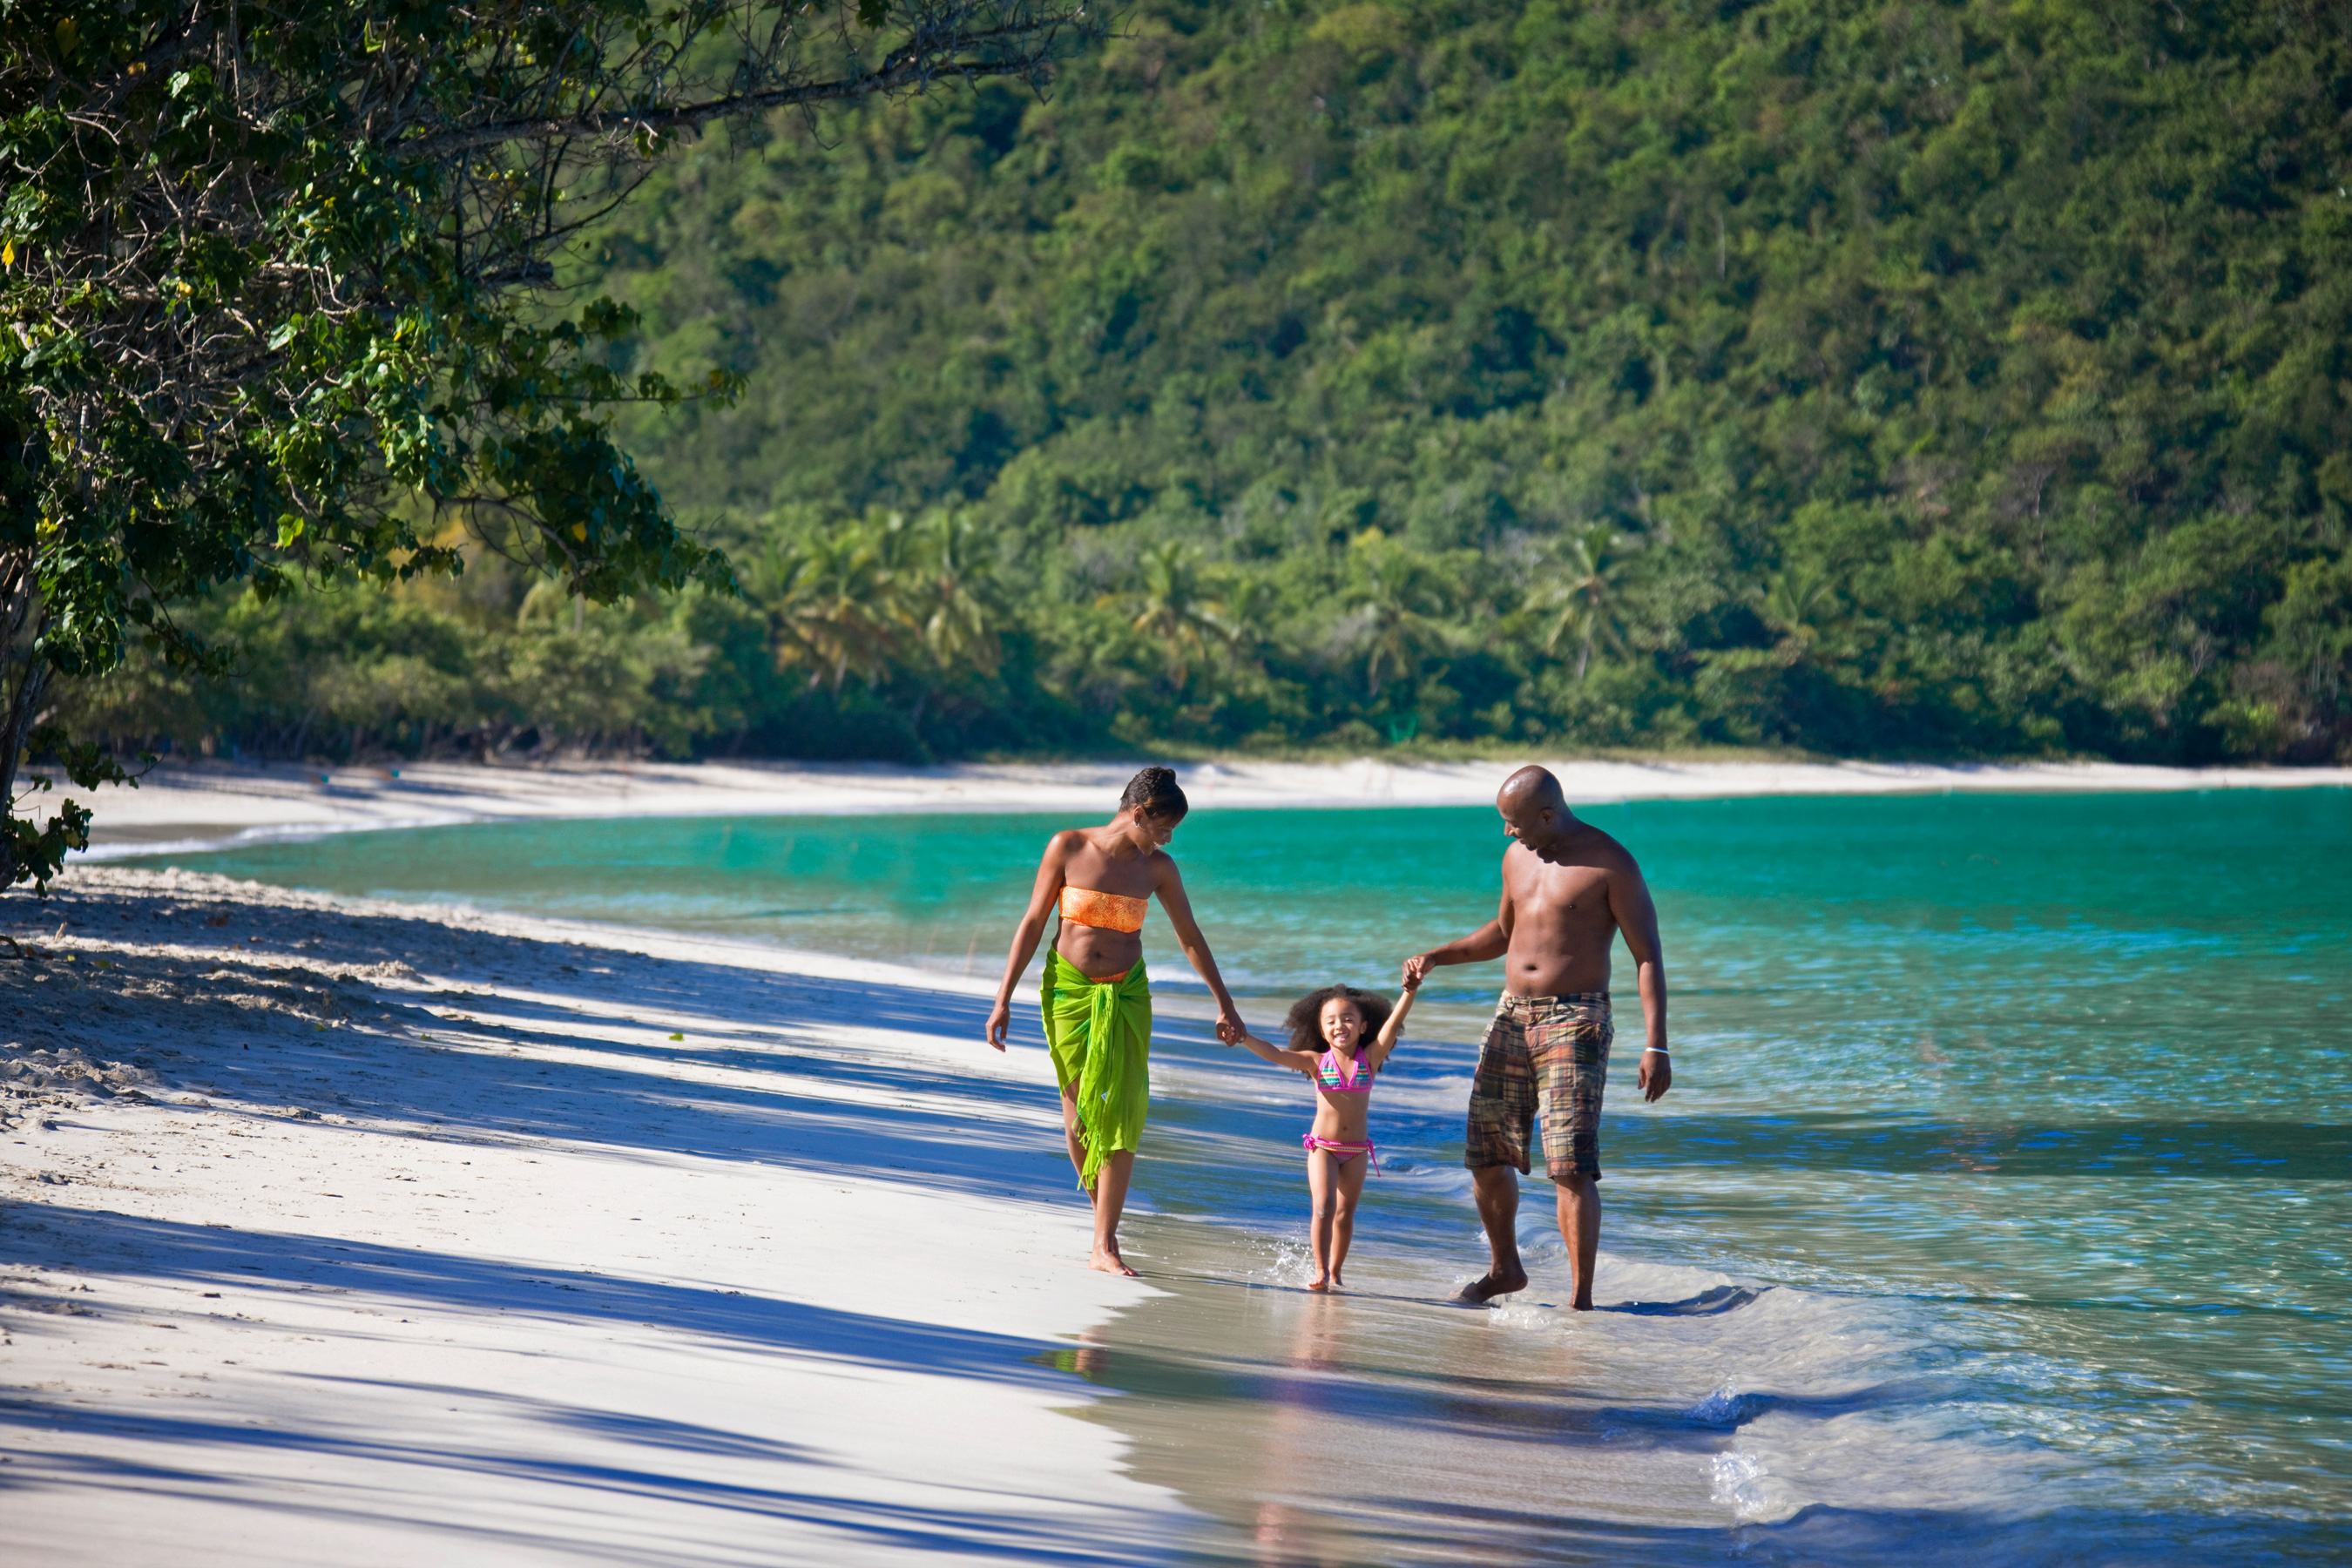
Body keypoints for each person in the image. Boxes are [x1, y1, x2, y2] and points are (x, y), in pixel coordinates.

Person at [1402, 765, 1671, 1310]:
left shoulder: (1610, 862)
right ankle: (1505, 1270)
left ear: (1547, 815)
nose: (1508, 832)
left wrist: (1656, 1044)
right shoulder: (1516, 858)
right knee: (1485, 1153)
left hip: (1577, 1019)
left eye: (1515, 823)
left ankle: (1580, 1300)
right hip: (1510, 1016)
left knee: (1570, 1163)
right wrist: (1437, 956)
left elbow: (1647, 956)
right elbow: (1502, 934)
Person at [985, 766, 1247, 1276]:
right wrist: (1003, 998)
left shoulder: (1159, 870)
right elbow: (1035, 922)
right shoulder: (1068, 847)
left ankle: (1105, 1243)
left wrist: (1226, 1003)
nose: (1169, 838)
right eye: (1164, 827)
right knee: (1080, 1119)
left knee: (1124, 1111)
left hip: (1127, 993)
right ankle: (1100, 1225)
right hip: (1068, 993)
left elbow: (1190, 936)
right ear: (1138, 813)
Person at [1233, 975, 1421, 1291]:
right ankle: (1319, 1270)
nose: (1340, 1026)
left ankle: (1336, 1271)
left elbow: (1395, 1022)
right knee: (1323, 1207)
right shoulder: (1316, 1061)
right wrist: (1244, 1037)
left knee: (1345, 1215)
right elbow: (1275, 1053)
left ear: (1363, 1027)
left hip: (1358, 1150)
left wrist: (1409, 991)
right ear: (1321, 1030)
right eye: (1331, 1021)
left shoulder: (1370, 1058)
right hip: (1323, 1148)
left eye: (1348, 1019)